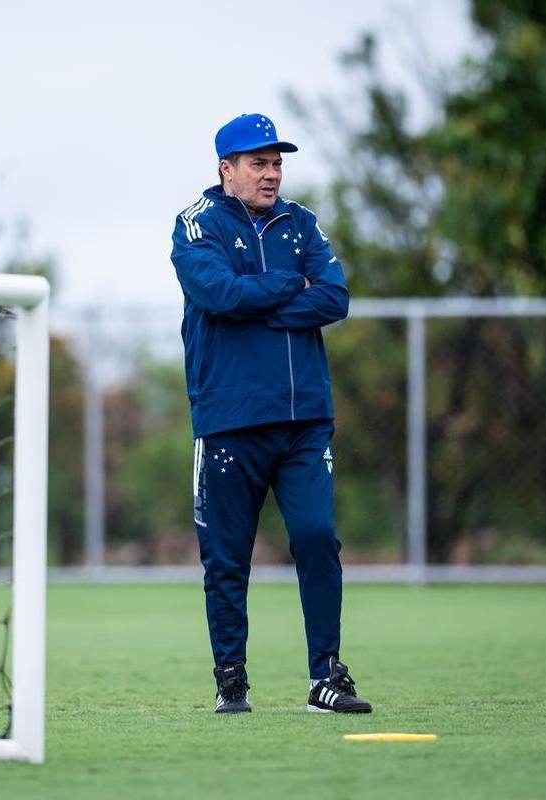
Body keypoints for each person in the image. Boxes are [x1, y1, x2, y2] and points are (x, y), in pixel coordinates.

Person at [169, 113, 372, 715]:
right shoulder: (196, 224)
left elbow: (334, 297)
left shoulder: (301, 222)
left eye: (277, 162)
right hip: (230, 420)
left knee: (316, 536)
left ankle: (326, 677)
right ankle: (231, 679)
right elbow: (219, 294)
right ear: (226, 169)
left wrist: (257, 302)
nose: (272, 173)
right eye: (258, 162)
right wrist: (288, 285)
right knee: (228, 559)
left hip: (305, 418)